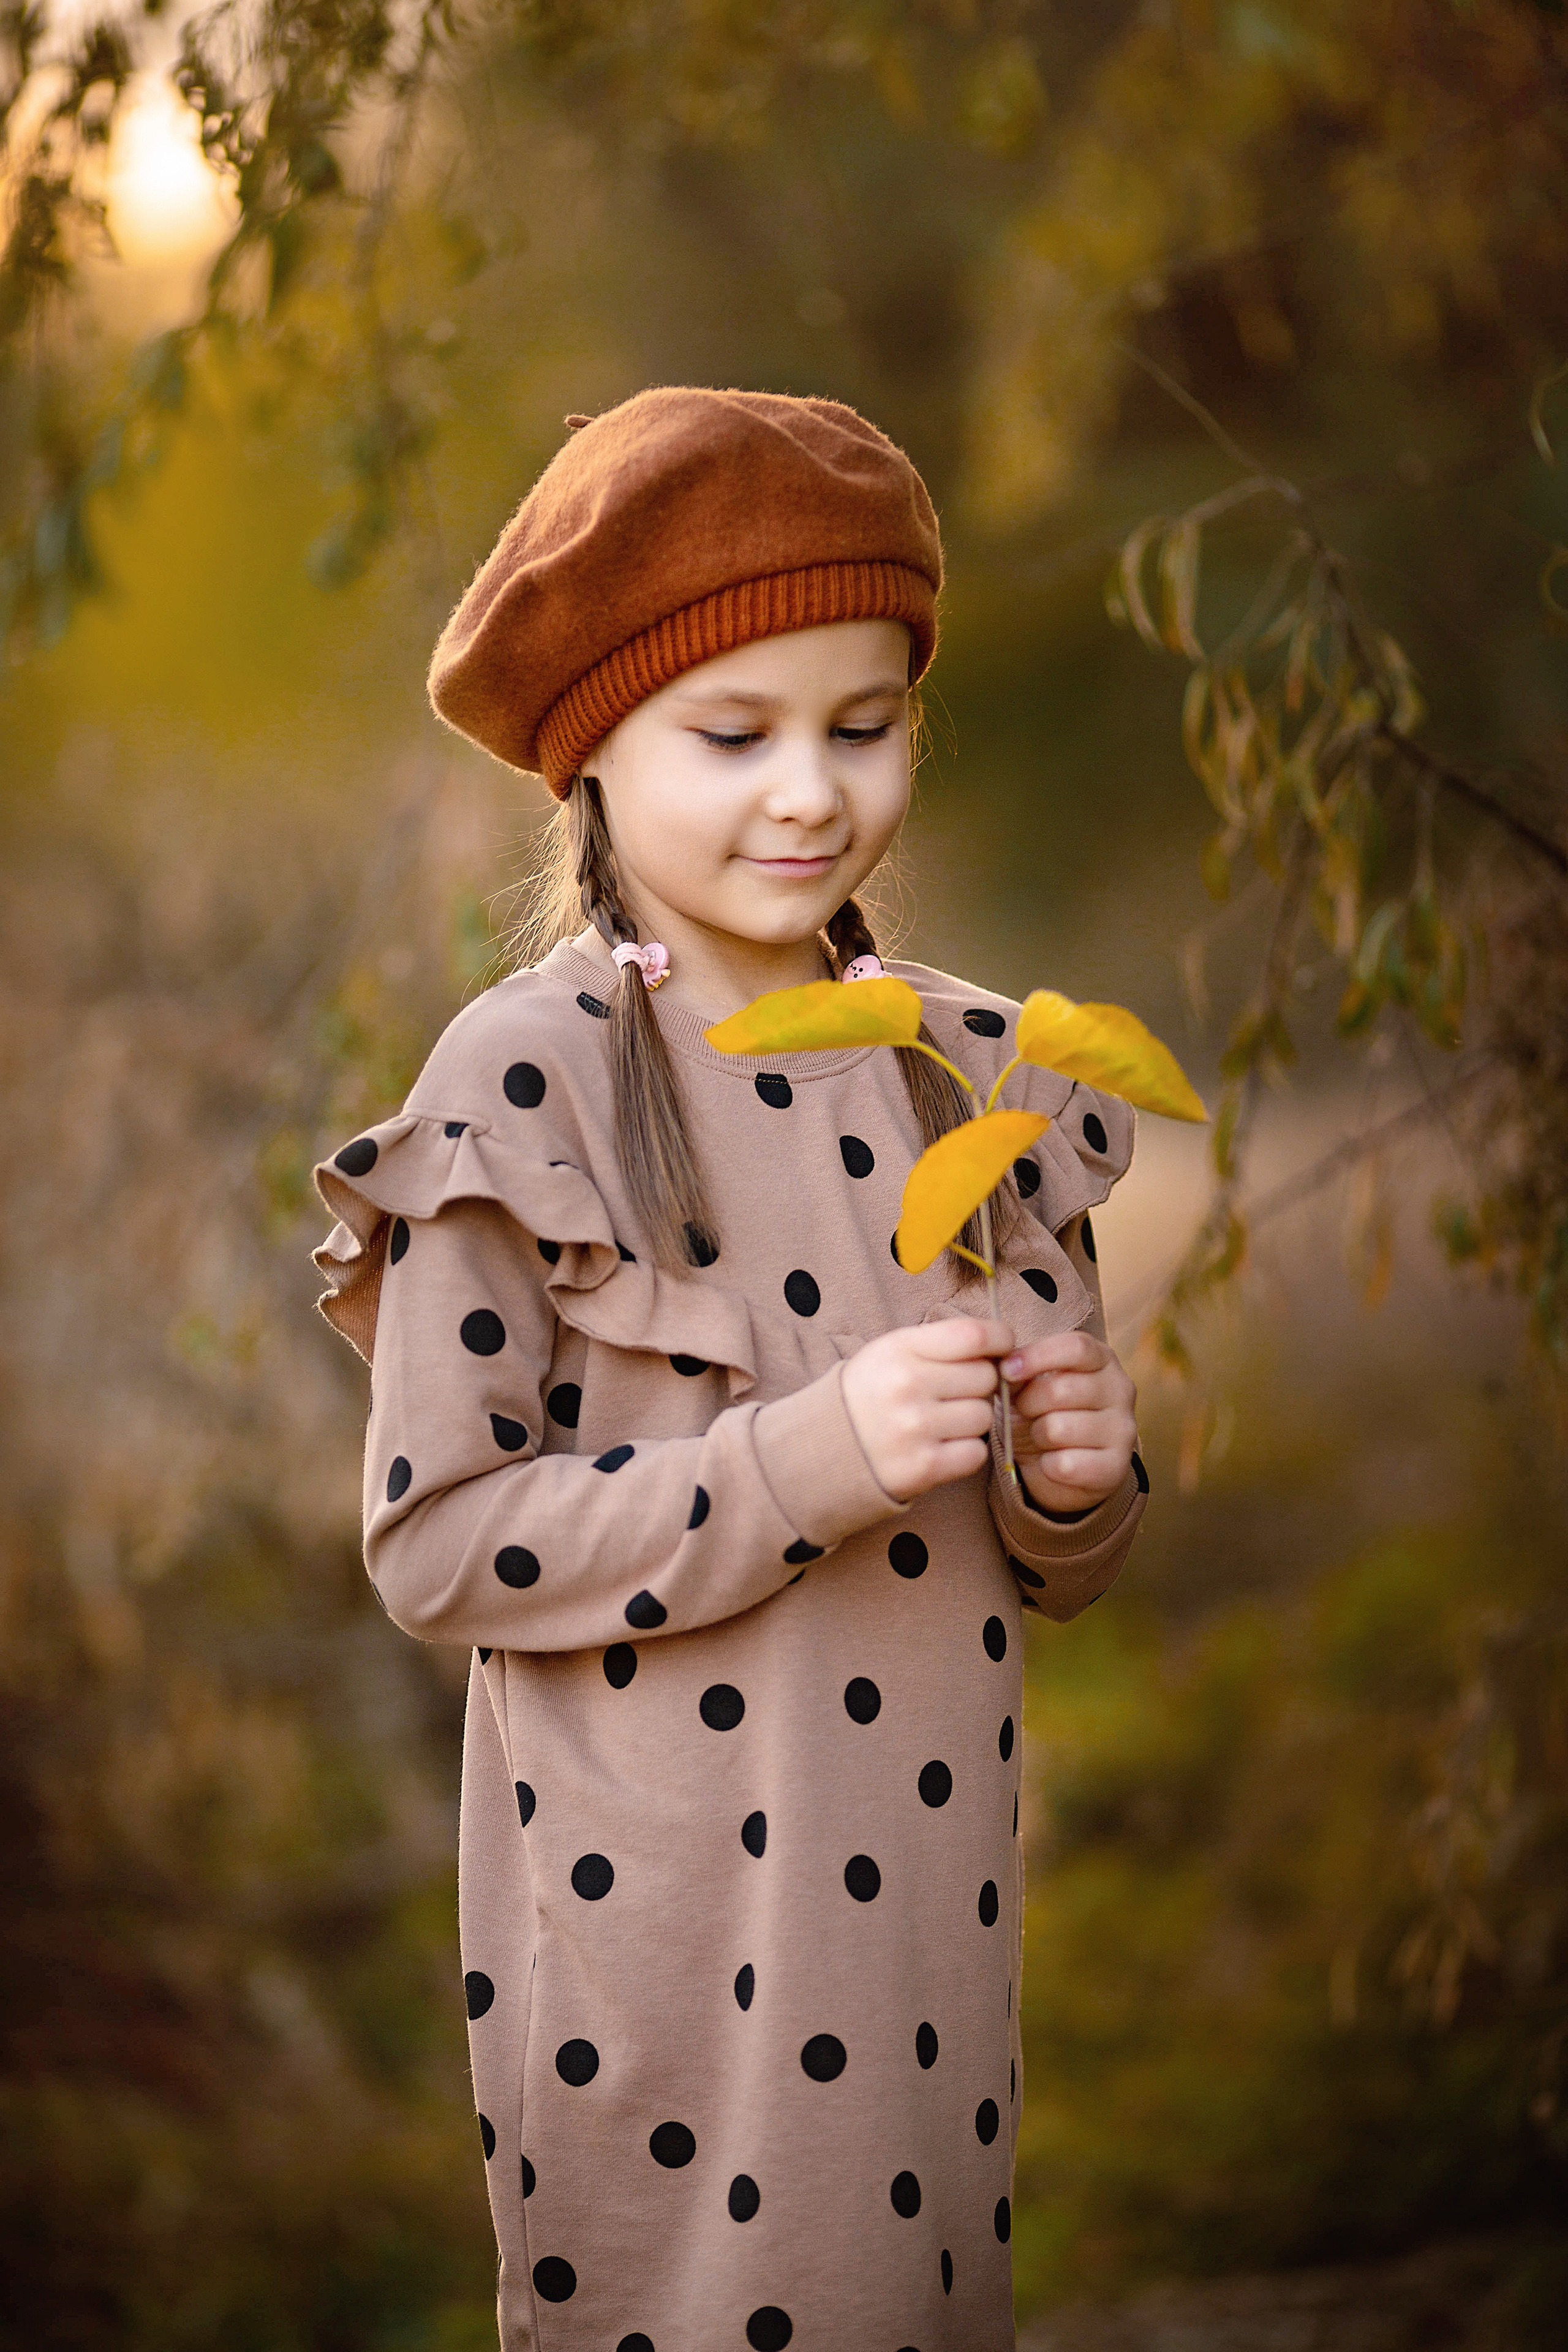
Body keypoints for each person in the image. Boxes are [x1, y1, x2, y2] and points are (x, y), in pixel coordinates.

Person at [312, 388, 1147, 2352]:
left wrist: (1074, 1482)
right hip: (668, 1923)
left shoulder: (979, 1071)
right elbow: (438, 1545)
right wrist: (805, 1462)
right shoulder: (526, 1083)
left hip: (924, 1915)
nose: (809, 793)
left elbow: (1060, 1562)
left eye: (863, 726)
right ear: (594, 750)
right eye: (733, 733)